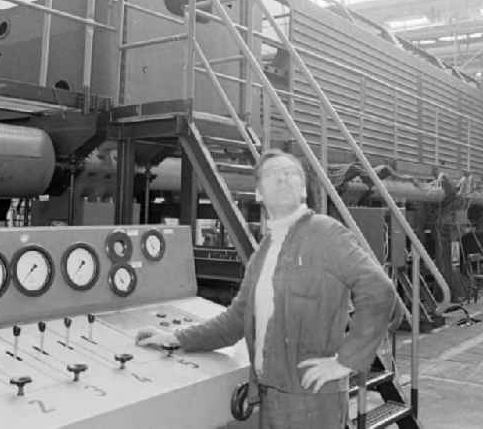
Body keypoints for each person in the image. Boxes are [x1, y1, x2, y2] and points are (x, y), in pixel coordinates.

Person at [136, 149, 397, 428]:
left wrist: (347, 361)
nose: (283, 179)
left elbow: (380, 292)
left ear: (303, 191)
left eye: (291, 173)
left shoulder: (326, 233)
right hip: (268, 395)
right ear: (259, 193)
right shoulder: (263, 252)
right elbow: (236, 319)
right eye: (273, 174)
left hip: (311, 401)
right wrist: (176, 338)